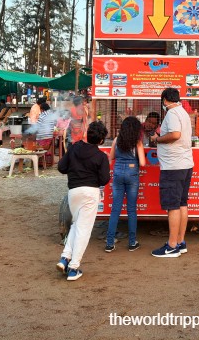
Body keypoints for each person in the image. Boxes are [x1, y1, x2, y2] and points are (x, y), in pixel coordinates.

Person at [56, 121, 110, 281]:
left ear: (87, 133)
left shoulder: (73, 148)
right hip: (90, 192)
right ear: (101, 141)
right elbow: (104, 179)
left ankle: (65, 257)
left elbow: (61, 167)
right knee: (84, 230)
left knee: (76, 225)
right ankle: (74, 267)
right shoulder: (101, 156)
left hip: (73, 191)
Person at [149, 87, 193, 258]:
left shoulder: (173, 113)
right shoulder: (182, 112)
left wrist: (157, 139)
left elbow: (175, 134)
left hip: (174, 166)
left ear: (165, 100)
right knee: (182, 203)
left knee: (173, 206)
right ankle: (180, 242)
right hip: (184, 164)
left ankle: (172, 246)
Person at [105, 116, 147, 253]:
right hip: (132, 174)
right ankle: (132, 242)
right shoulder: (138, 142)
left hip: (117, 173)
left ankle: (110, 243)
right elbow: (142, 163)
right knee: (131, 210)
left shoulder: (117, 140)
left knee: (115, 210)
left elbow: (111, 157)